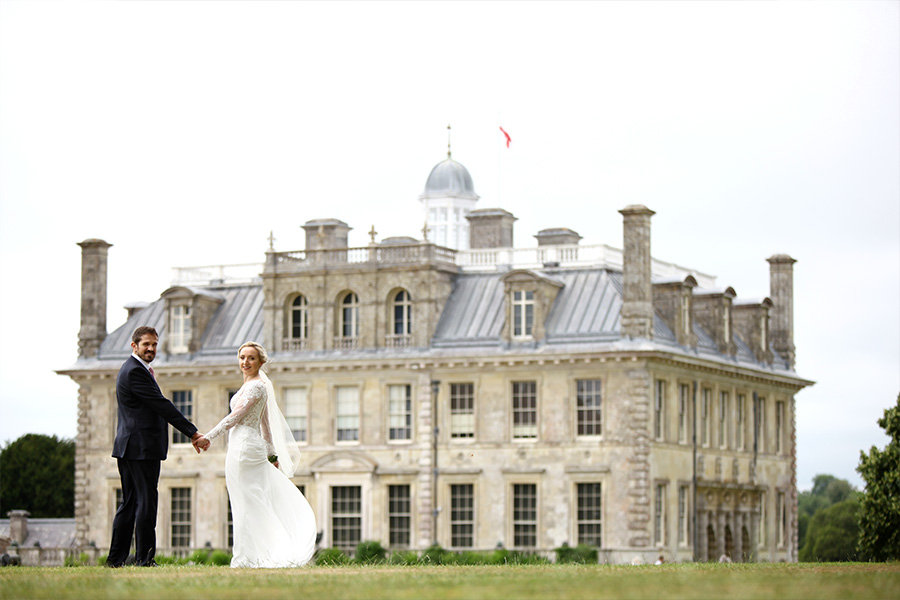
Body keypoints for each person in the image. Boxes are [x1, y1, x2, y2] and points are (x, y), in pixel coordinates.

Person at [198, 342, 316, 568]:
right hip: (243, 445)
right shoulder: (252, 385)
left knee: (249, 502)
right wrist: (272, 455)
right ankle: (249, 556)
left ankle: (253, 556)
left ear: (261, 362)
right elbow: (265, 424)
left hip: (244, 448)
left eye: (251, 358)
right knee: (245, 501)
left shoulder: (257, 387)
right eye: (242, 357)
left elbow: (235, 417)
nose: (245, 362)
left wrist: (208, 437)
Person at [107, 326, 209, 568]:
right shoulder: (134, 372)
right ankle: (144, 559)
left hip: (130, 446)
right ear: (134, 346)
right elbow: (161, 405)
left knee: (131, 502)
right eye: (146, 345)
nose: (151, 348)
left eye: (154, 344)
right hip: (140, 447)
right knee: (145, 502)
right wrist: (192, 432)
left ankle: (115, 560)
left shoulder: (135, 370)